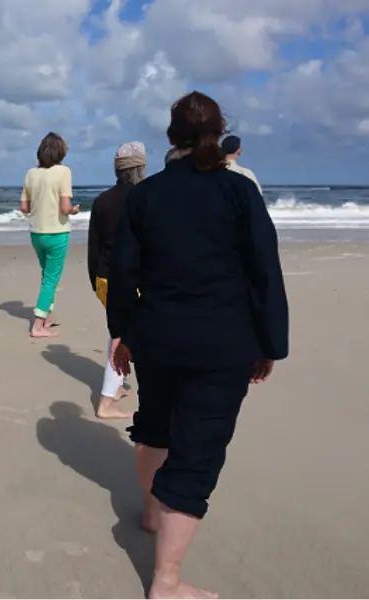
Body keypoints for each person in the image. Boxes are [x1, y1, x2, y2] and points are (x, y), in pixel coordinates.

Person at [107, 91, 288, 600]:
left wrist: (122, 331)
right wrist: (270, 343)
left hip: (158, 338)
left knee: (156, 425)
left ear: (171, 137)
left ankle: (150, 513)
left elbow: (124, 273)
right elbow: (264, 273)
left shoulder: (147, 195)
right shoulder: (239, 192)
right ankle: (165, 582)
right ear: (217, 132)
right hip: (222, 343)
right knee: (197, 454)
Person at [86, 141, 146, 420]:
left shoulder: (102, 201)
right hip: (132, 279)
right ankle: (106, 401)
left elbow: (93, 247)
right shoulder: (145, 198)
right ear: (140, 168)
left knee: (117, 329)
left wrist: (95, 281)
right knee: (121, 337)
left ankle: (117, 384)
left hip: (104, 277)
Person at [19, 132, 79, 338]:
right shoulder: (64, 172)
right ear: (60, 152)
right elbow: (64, 207)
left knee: (47, 275)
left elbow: (24, 207)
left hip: (36, 232)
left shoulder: (31, 174)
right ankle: (37, 324)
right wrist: (73, 210)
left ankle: (47, 316)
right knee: (51, 279)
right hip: (57, 232)